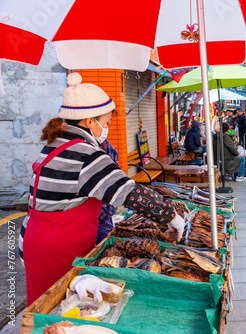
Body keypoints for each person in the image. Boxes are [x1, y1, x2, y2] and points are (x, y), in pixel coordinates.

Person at [19, 73, 185, 305]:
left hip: (37, 241)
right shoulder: (85, 154)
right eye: (105, 123)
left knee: (45, 310)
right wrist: (172, 216)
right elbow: (130, 192)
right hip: (60, 249)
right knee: (62, 311)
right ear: (89, 122)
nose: (105, 129)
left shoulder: (55, 145)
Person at [96, 139, 120, 245]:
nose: (106, 127)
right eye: (106, 123)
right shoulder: (89, 149)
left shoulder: (108, 147)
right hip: (97, 211)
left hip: (103, 210)